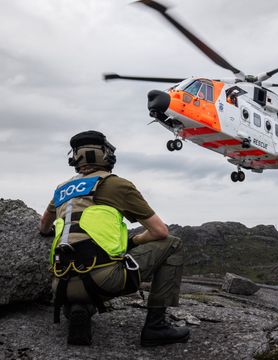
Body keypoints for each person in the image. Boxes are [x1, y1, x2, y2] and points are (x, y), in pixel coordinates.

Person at [38, 130, 190, 347]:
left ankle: (79, 308)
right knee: (173, 243)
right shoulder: (117, 185)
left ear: (76, 157)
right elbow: (160, 232)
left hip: (61, 284)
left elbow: (44, 227)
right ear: (103, 154)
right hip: (103, 280)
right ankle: (156, 326)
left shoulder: (61, 189)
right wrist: (133, 241)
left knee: (86, 266)